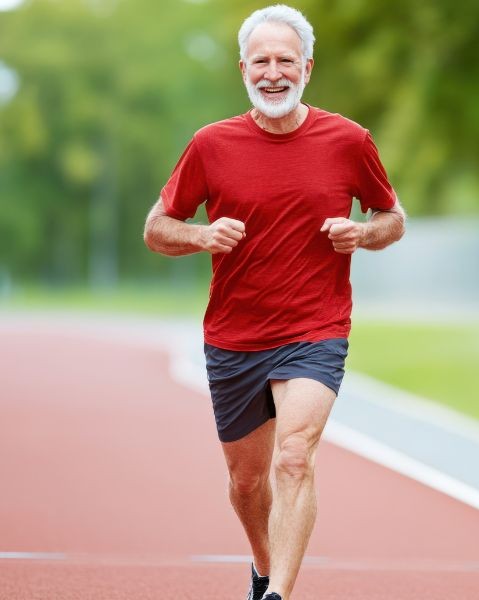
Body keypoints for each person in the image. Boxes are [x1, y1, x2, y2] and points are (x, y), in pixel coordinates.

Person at [142, 5, 405, 599]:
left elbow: (393, 217)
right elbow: (158, 227)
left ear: (307, 67)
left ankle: (279, 596)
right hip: (234, 336)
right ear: (243, 69)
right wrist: (201, 236)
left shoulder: (347, 139)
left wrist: (362, 233)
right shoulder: (211, 145)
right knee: (245, 484)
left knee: (294, 457)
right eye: (261, 60)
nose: (274, 72)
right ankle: (263, 566)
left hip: (316, 327)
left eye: (286, 60)